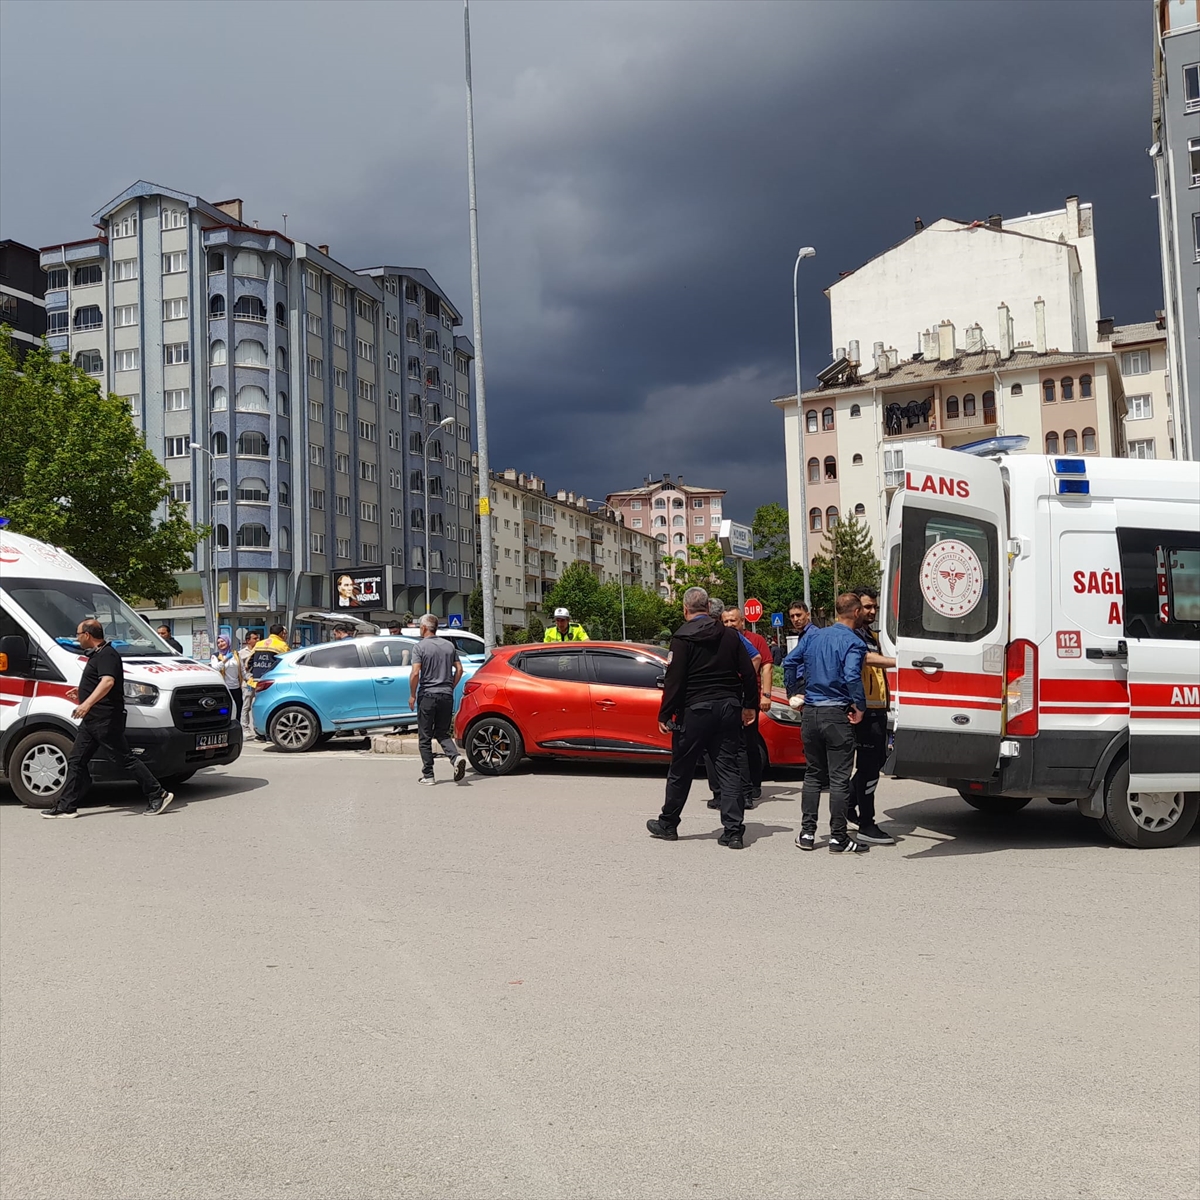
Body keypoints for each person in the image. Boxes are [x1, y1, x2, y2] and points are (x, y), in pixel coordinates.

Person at [646, 587, 759, 850]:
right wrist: (749, 706)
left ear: (685, 610)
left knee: (681, 769)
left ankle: (669, 823)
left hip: (695, 711)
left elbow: (674, 680)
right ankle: (733, 831)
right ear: (708, 608)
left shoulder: (681, 638)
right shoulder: (731, 636)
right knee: (728, 768)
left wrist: (665, 713)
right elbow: (748, 672)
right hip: (728, 709)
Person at [41, 619, 174, 818]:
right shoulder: (98, 655)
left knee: (124, 759)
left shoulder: (107, 654)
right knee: (76, 760)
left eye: (78, 634)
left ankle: (158, 794)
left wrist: (86, 704)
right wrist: (82, 691)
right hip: (92, 721)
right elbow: (100, 682)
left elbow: (108, 681)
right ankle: (66, 806)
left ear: (87, 635)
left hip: (105, 720)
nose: (77, 639)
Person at [784, 593, 871, 854]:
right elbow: (852, 676)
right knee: (839, 779)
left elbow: (789, 662)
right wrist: (860, 706)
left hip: (810, 712)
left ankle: (807, 833)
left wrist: (793, 693)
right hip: (836, 713)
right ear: (856, 612)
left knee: (812, 774)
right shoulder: (854, 642)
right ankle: (838, 837)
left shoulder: (813, 636)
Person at [849, 587, 896, 845]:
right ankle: (867, 823)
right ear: (856, 608)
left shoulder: (869, 633)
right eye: (868, 607)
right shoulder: (852, 634)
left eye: (875, 607)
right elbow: (865, 660)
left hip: (878, 707)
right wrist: (896, 660)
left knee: (878, 759)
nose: (872, 611)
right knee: (868, 768)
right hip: (863, 709)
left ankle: (848, 801)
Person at [408, 614, 468, 785]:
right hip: (446, 695)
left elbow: (415, 672)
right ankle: (455, 758)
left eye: (420, 625)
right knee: (442, 732)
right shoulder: (449, 646)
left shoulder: (419, 647)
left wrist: (412, 694)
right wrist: (451, 686)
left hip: (428, 695)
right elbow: (459, 669)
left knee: (425, 736)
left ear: (425, 627)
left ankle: (428, 775)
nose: (420, 628)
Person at [246, 624, 289, 738]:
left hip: (256, 681)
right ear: (281, 633)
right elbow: (286, 663)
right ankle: (269, 733)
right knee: (272, 706)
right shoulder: (282, 645)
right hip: (272, 682)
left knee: (258, 706)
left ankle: (259, 732)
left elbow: (248, 662)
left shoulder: (259, 644)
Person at [211, 634, 244, 723]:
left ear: (228, 641)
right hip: (224, 689)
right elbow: (215, 668)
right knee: (225, 711)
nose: (221, 644)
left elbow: (242, 669)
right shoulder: (216, 656)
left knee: (238, 710)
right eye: (218, 642)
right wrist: (225, 659)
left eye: (222, 641)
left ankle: (237, 727)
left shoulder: (235, 654)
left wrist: (248, 680)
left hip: (236, 688)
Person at [238, 632, 259, 732]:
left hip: (258, 682)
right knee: (246, 706)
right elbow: (241, 669)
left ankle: (257, 727)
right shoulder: (241, 653)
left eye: (258, 638)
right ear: (248, 641)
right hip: (247, 683)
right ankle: (245, 727)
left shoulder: (259, 651)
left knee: (258, 705)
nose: (257, 640)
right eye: (255, 638)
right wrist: (247, 679)